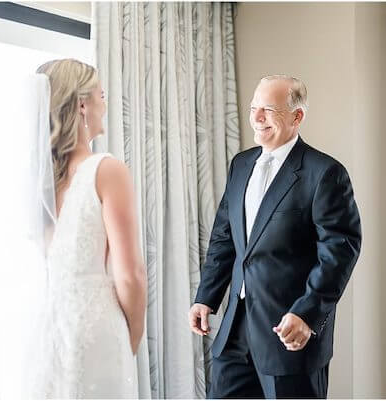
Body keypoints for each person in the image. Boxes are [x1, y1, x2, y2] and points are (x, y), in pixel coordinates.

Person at [189, 75, 361, 399]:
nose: (256, 118)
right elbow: (225, 236)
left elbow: (341, 250)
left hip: (290, 334)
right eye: (254, 108)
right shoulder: (241, 164)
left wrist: (307, 313)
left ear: (297, 117)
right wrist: (206, 296)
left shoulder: (325, 173)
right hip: (235, 334)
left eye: (268, 109)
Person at [32, 59, 147, 398]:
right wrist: (132, 339)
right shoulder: (106, 169)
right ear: (83, 105)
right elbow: (131, 275)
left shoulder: (39, 183)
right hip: (96, 331)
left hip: (49, 331)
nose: (105, 104)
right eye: (102, 94)